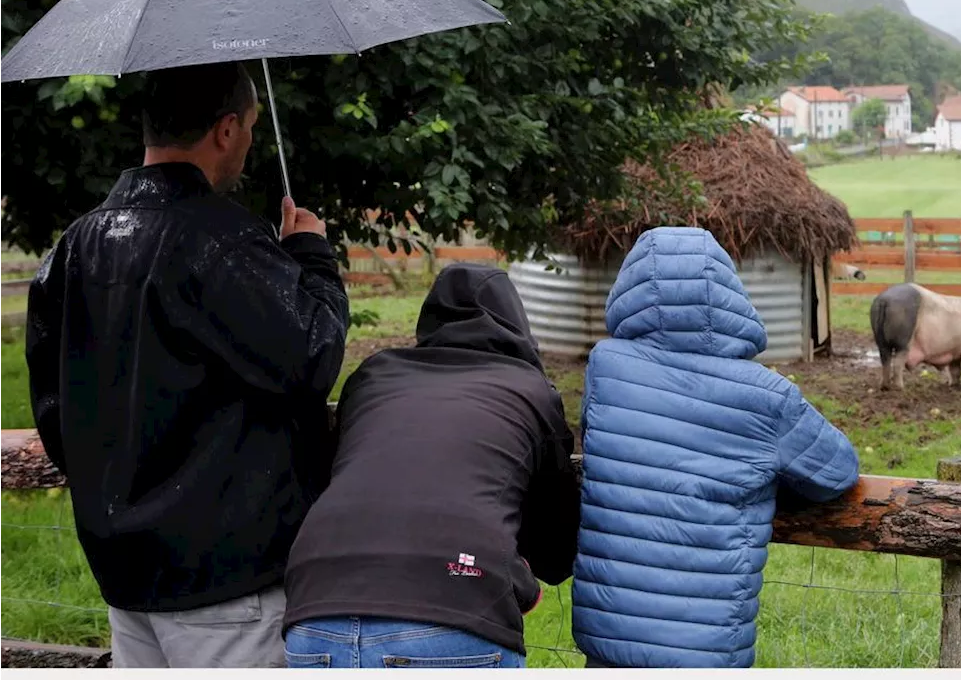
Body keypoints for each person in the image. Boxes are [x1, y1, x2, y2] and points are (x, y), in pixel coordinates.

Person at [25, 61, 350, 669]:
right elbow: (314, 351)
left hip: (121, 568)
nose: (251, 142)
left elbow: (54, 409)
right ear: (226, 130)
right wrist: (311, 253)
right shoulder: (219, 240)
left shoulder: (76, 245)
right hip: (223, 580)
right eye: (251, 127)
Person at [571, 226, 860, 668]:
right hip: (705, 648)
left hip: (611, 639)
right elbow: (838, 471)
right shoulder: (768, 396)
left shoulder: (606, 369)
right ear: (727, 292)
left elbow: (594, 430)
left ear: (630, 288)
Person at [283, 263, 581, 670]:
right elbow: (555, 546)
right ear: (516, 321)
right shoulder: (529, 389)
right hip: (452, 607)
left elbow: (343, 475)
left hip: (314, 607)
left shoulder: (373, 375)